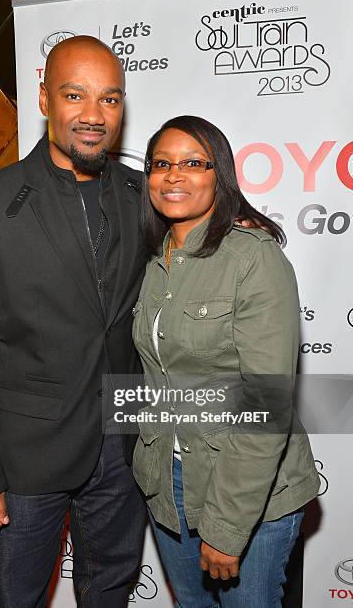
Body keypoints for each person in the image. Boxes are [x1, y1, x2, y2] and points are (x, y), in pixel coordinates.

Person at [0, 36, 147, 608]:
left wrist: (245, 227)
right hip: (24, 457)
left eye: (109, 99)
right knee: (20, 597)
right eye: (74, 95)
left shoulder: (141, 194)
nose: (92, 115)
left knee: (110, 590)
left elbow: (201, 230)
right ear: (43, 99)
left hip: (122, 447)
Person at [131, 115, 320, 607]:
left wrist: (226, 527)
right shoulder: (152, 261)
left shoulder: (253, 259)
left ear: (221, 175)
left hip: (247, 490)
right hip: (167, 479)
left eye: (194, 163)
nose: (174, 175)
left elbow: (265, 405)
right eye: (161, 164)